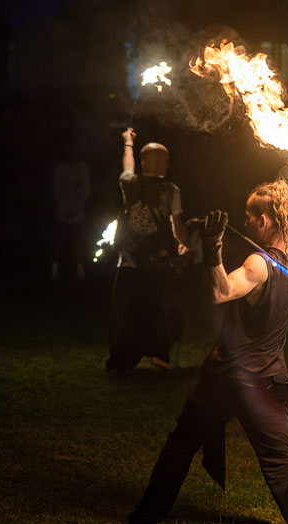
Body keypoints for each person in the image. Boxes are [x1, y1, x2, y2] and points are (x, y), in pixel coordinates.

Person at [128, 180, 288, 524]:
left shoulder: (258, 264)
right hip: (268, 378)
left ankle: (148, 514)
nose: (245, 220)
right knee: (280, 458)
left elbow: (219, 291)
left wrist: (212, 248)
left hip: (228, 377)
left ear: (266, 220)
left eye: (250, 216)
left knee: (182, 443)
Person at [106, 127, 190, 371]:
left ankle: (154, 354)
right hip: (137, 261)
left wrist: (184, 247)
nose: (165, 163)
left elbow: (176, 224)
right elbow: (128, 168)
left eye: (165, 159)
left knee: (150, 311)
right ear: (149, 160)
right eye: (161, 159)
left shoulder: (167, 189)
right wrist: (128, 145)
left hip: (152, 261)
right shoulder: (135, 185)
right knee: (132, 312)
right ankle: (126, 357)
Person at [51, 147, 91, 281]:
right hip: (62, 213)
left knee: (77, 242)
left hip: (78, 214)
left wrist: (75, 209)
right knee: (60, 241)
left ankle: (79, 268)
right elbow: (57, 190)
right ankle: (56, 269)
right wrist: (65, 209)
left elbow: (85, 192)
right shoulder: (60, 168)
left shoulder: (83, 169)